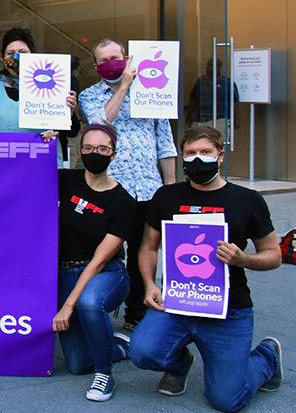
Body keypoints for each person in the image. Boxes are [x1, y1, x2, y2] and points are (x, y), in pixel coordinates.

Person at [130, 125, 282, 412]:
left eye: (205, 152)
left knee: (227, 400)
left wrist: (243, 259)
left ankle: (267, 357)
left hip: (229, 309)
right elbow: (149, 246)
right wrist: (150, 284)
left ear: (221, 156)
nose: (197, 159)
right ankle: (179, 361)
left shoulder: (248, 200)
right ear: (182, 157)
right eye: (190, 153)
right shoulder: (167, 196)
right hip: (178, 302)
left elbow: (273, 254)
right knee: (142, 352)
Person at [78, 38, 178, 330]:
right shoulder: (90, 95)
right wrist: (123, 87)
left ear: (127, 57)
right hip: (110, 187)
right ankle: (99, 308)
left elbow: (165, 141)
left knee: (143, 249)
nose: (112, 62)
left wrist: (170, 185)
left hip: (148, 186)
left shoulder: (153, 90)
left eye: (116, 56)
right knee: (106, 251)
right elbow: (99, 124)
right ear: (97, 67)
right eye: (104, 59)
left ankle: (138, 313)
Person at [53, 125, 136, 402]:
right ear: (80, 151)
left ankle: (105, 374)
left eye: (102, 149)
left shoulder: (123, 201)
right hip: (65, 270)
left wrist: (67, 305)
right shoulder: (66, 180)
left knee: (89, 302)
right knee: (77, 364)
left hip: (106, 272)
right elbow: (26, 173)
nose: (94, 154)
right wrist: (41, 143)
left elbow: (100, 261)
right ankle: (116, 346)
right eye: (88, 148)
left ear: (113, 154)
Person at [0, 27, 78, 166]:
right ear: (3, 59)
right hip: (0, 165)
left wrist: (69, 112)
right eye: (10, 53)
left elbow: (72, 131)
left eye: (22, 52)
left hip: (39, 163)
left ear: (32, 55)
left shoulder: (54, 89)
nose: (16, 57)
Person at [186, 58, 239, 127]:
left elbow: (235, 102)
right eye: (208, 64)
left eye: (211, 65)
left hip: (221, 119)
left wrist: (237, 119)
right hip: (202, 119)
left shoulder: (227, 82)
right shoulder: (201, 81)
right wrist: (189, 115)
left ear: (218, 67)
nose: (209, 67)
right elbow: (193, 100)